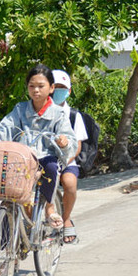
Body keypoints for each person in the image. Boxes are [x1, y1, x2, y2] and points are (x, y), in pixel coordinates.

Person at [0, 64, 77, 229]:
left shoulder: (59, 113)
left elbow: (70, 139)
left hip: (44, 157)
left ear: (51, 88)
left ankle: (49, 208)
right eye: (32, 86)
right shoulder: (20, 109)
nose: (36, 90)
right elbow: (4, 129)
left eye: (41, 86)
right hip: (21, 158)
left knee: (50, 167)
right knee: (8, 188)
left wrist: (64, 143)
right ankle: (10, 241)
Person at [51, 69, 88, 244]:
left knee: (70, 184)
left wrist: (65, 162)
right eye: (55, 86)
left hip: (67, 159)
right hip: (43, 158)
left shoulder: (74, 115)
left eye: (62, 87)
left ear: (69, 90)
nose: (58, 90)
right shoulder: (38, 112)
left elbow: (78, 145)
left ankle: (66, 218)